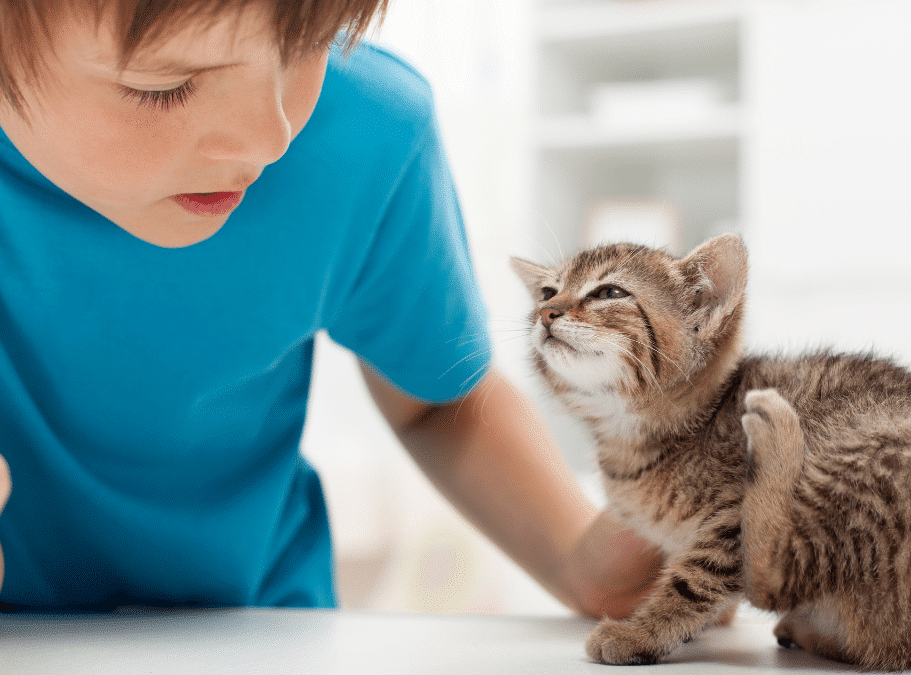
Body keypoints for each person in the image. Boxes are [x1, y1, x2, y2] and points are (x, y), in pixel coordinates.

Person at [0, 0, 660, 615]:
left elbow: (434, 401)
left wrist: (582, 564)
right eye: (165, 85)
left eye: (305, 48)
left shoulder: (367, 131)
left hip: (260, 629)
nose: (270, 138)